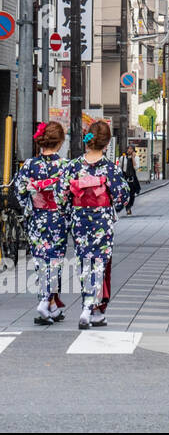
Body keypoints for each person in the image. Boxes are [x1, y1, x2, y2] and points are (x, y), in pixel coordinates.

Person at [57, 120, 129, 329]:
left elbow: (60, 195)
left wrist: (69, 209)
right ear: (107, 144)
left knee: (85, 262)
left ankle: (92, 308)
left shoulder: (73, 166)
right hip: (102, 220)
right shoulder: (110, 169)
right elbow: (122, 197)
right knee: (100, 263)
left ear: (88, 141)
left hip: (80, 219)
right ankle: (90, 307)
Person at [14, 122, 70, 325]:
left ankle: (51, 305)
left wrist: (29, 207)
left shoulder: (29, 165)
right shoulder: (65, 166)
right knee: (54, 261)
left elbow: (19, 192)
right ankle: (46, 301)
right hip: (57, 219)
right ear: (60, 142)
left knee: (40, 261)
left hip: (37, 218)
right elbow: (70, 195)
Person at [117, 144, 141, 216]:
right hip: (125, 177)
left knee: (132, 194)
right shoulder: (122, 158)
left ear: (133, 150)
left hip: (132, 178)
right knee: (125, 193)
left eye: (131, 149)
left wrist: (133, 158)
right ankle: (127, 207)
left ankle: (129, 206)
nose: (129, 150)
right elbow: (119, 167)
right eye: (128, 149)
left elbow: (136, 167)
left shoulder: (136, 158)